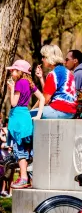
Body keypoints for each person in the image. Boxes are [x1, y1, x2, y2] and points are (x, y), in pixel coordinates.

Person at [5, 60, 45, 189]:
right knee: (27, 149)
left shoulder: (18, 84)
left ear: (21, 72)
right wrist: (38, 115)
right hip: (25, 117)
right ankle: (28, 178)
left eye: (14, 70)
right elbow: (42, 98)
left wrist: (11, 90)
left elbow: (14, 103)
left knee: (19, 149)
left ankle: (23, 178)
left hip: (18, 118)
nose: (12, 72)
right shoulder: (29, 83)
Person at [32, 44, 76, 119]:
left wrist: (32, 109)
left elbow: (45, 99)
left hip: (59, 110)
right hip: (71, 112)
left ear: (50, 57)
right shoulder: (67, 72)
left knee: (26, 116)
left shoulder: (53, 74)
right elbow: (48, 93)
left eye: (44, 57)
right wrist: (41, 78)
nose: (42, 60)